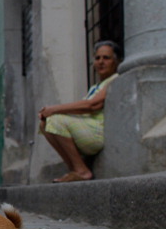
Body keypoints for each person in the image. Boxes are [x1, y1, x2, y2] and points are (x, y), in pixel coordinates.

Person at [38, 40, 120, 183]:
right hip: (87, 129)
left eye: (106, 58)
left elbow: (92, 105)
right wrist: (49, 112)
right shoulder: (96, 86)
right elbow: (83, 109)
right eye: (97, 58)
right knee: (44, 124)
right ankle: (76, 170)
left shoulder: (115, 79)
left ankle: (82, 171)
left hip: (97, 133)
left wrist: (54, 109)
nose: (101, 62)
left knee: (55, 120)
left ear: (116, 61)